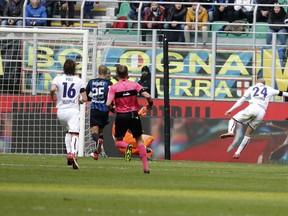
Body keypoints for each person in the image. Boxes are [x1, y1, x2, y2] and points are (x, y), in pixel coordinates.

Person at [220, 78, 288, 159]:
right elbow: (284, 94)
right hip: (261, 112)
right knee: (248, 134)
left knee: (233, 120)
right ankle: (237, 152)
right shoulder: (270, 89)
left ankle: (230, 131)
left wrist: (230, 110)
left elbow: (241, 100)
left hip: (252, 107)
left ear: (257, 83)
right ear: (264, 83)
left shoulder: (252, 88)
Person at [106, 65, 153, 174]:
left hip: (121, 116)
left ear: (117, 75)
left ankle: (127, 146)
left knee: (118, 141)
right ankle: (145, 167)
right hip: (133, 115)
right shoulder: (134, 85)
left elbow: (108, 103)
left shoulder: (114, 87)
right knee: (140, 140)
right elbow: (148, 96)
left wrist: (112, 109)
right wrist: (150, 104)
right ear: (128, 74)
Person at [50, 59, 87, 169]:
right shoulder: (79, 81)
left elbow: (52, 89)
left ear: (64, 68)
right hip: (73, 111)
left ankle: (69, 153)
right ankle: (73, 154)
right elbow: (84, 98)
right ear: (74, 69)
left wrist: (53, 100)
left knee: (67, 131)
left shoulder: (58, 78)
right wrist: (79, 101)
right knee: (75, 133)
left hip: (61, 112)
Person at [85, 65, 111, 160]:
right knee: (100, 131)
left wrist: (93, 98)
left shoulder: (91, 82)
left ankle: (98, 142)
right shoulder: (109, 83)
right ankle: (97, 152)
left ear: (98, 72)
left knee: (93, 132)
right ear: (106, 72)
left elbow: (86, 95)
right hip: (105, 110)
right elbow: (110, 97)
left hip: (95, 109)